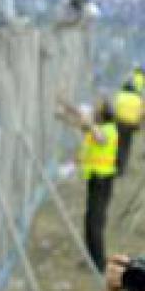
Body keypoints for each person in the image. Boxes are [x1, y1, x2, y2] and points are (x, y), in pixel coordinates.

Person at [58, 98, 118, 271]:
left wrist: (86, 121)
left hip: (102, 180)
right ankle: (92, 259)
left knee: (94, 222)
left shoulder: (109, 130)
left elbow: (100, 138)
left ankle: (99, 263)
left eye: (96, 111)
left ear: (103, 115)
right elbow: (80, 122)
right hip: (96, 179)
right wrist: (66, 110)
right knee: (90, 220)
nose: (93, 113)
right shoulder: (98, 127)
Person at [114, 81, 142, 176]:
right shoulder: (138, 99)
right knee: (125, 147)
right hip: (130, 125)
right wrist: (138, 124)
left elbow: (115, 109)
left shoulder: (120, 95)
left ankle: (114, 164)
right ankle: (121, 169)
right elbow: (141, 113)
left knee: (117, 144)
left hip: (119, 123)